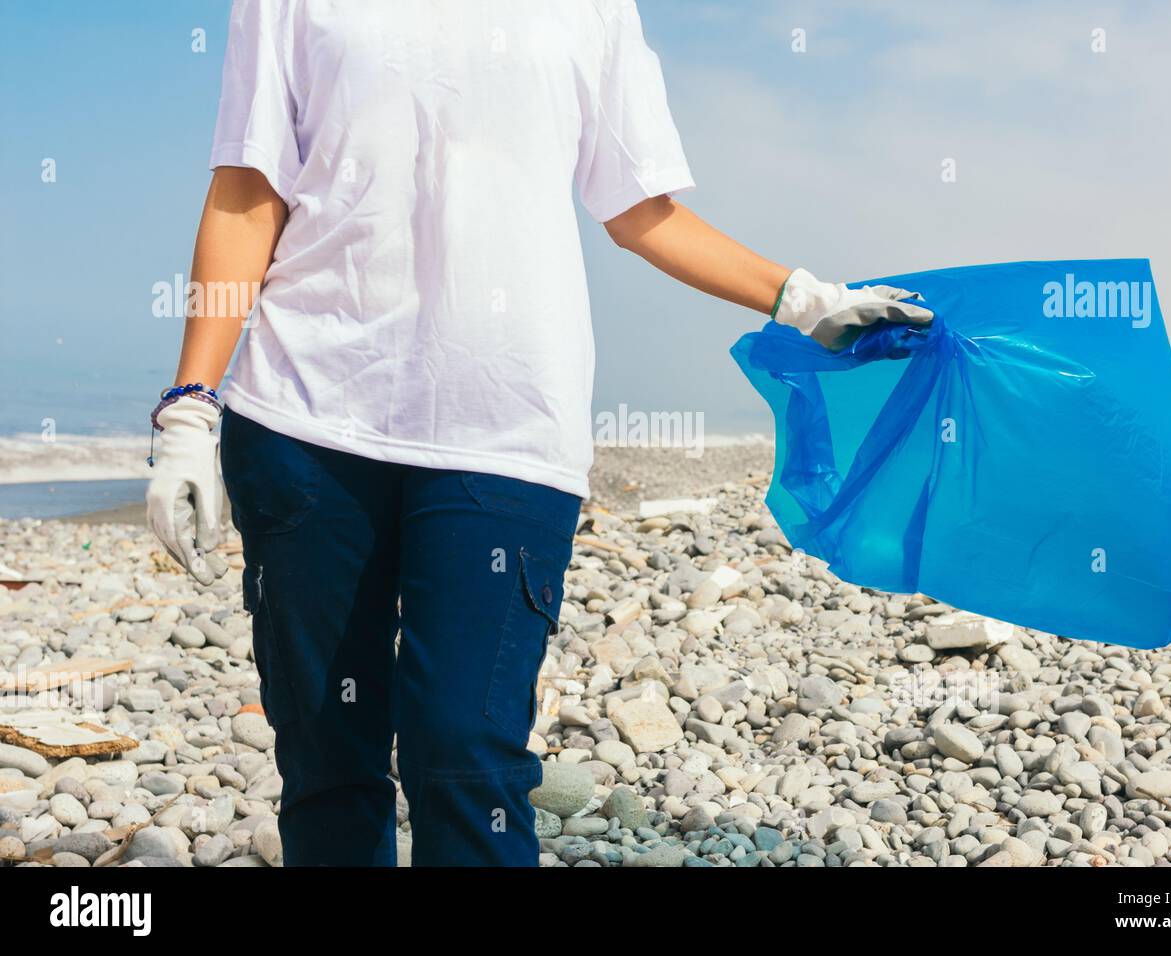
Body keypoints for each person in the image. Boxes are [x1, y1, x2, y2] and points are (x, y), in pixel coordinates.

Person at [146, 0, 931, 867]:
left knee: (464, 754)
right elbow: (247, 194)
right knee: (328, 756)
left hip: (508, 428)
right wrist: (191, 402)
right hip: (304, 417)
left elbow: (641, 209)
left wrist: (809, 302)